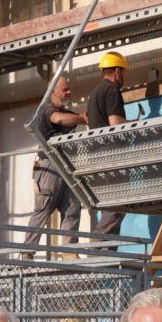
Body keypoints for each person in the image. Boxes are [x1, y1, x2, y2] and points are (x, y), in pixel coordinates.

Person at [27, 75, 86, 248]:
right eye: (65, 89)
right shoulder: (47, 109)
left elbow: (68, 117)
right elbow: (58, 119)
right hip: (49, 166)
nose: (69, 92)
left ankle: (69, 252)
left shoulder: (66, 112)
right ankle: (27, 253)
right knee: (43, 210)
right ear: (53, 93)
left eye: (69, 88)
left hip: (66, 165)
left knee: (72, 209)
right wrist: (83, 118)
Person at [84, 51, 131, 238]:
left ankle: (107, 252)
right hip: (111, 156)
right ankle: (97, 247)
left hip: (97, 157)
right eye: (123, 73)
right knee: (117, 207)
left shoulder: (94, 93)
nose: (123, 76)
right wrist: (133, 125)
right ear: (117, 71)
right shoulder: (112, 90)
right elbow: (115, 123)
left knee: (111, 209)